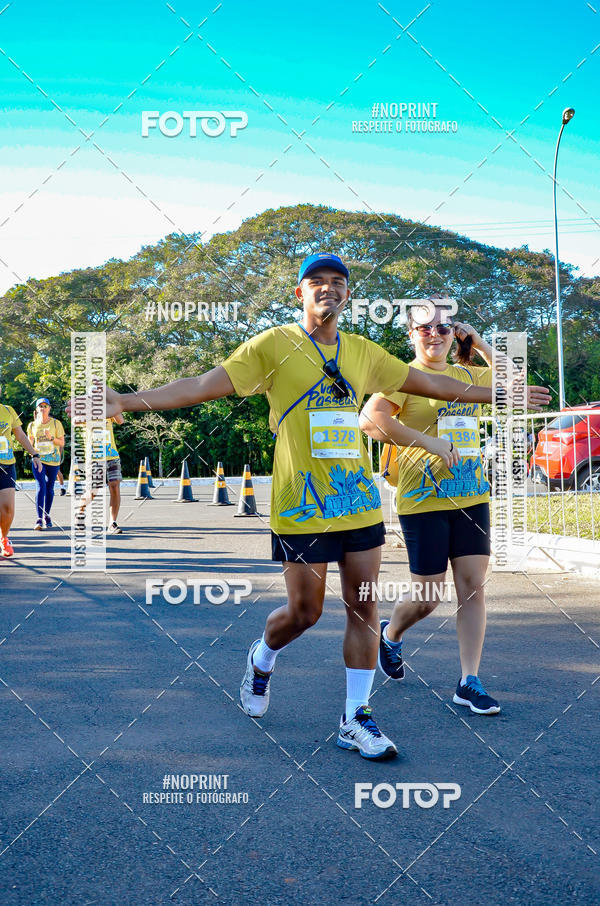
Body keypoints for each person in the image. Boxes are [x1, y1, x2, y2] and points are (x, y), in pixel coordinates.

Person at [69, 254, 549, 758]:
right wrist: (127, 399)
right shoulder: (273, 345)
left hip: (358, 503)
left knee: (364, 609)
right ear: (299, 293)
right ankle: (262, 656)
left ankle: (355, 717)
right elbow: (201, 387)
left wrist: (498, 391)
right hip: (302, 505)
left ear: (347, 295)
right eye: (316, 281)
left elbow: (434, 384)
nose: (327, 288)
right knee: (305, 612)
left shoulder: (364, 353)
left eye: (337, 282)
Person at [359, 300, 537, 715]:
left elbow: (514, 385)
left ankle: (468, 681)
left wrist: (480, 343)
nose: (435, 335)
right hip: (423, 501)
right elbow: (371, 420)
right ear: (411, 334)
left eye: (444, 328)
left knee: (473, 586)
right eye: (425, 329)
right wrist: (429, 443)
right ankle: (392, 633)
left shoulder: (468, 374)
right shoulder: (403, 378)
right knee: (427, 597)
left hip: (472, 495)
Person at [0, 386, 43, 557]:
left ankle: (4, 538)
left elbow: (20, 435)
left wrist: (34, 454)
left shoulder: (8, 411)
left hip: (6, 465)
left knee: (7, 508)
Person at [76, 414, 125, 533]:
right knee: (93, 491)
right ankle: (80, 511)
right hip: (94, 457)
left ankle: (112, 523)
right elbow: (75, 421)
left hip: (111, 455)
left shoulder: (109, 410)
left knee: (114, 486)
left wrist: (112, 406)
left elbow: (120, 421)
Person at [27, 398, 65, 530]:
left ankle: (47, 515)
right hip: (39, 460)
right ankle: (39, 519)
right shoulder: (32, 425)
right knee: (40, 486)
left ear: (49, 408)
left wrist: (51, 438)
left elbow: (62, 443)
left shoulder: (56, 423)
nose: (43, 408)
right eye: (40, 406)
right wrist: (33, 454)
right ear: (37, 409)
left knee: (49, 488)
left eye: (45, 406)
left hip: (53, 461)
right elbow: (29, 444)